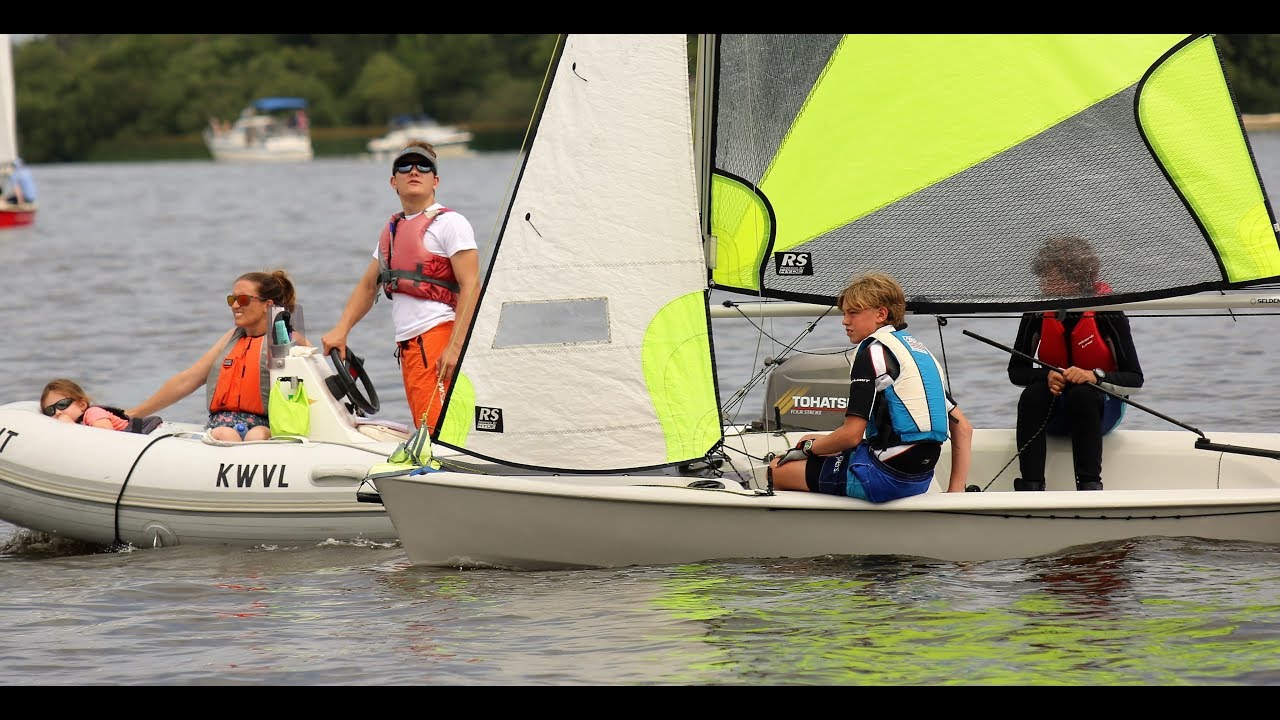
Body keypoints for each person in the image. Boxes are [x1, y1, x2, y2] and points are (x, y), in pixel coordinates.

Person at [770, 271, 973, 501]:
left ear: (881, 314)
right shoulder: (919, 354)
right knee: (811, 438)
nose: (845, 321)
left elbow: (851, 436)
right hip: (920, 478)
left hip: (882, 478)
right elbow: (963, 428)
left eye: (853, 313)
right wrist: (956, 493)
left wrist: (808, 449)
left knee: (776, 470)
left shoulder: (871, 353)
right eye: (844, 313)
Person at [322, 141, 480, 432]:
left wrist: (455, 347)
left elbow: (471, 285)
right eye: (405, 167)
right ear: (394, 182)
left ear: (436, 180)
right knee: (425, 426)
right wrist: (341, 330)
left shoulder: (451, 224)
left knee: (441, 431)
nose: (414, 171)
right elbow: (369, 286)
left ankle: (445, 469)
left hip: (438, 338)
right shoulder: (392, 231)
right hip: (409, 347)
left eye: (423, 167)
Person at [1008, 236, 1144, 491]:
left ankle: (1089, 485)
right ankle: (1031, 485)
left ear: (1074, 278)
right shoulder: (1037, 311)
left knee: (1083, 393)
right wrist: (1046, 374)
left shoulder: (1108, 313)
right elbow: (1016, 372)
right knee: (1033, 393)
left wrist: (1096, 376)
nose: (1042, 282)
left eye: (1049, 276)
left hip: (1101, 413)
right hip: (1054, 415)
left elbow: (1135, 379)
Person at [127, 270, 303, 443]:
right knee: (226, 435)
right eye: (232, 300)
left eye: (243, 300)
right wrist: (134, 414)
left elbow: (313, 381)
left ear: (268, 305)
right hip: (220, 428)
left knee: (257, 435)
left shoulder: (287, 339)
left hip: (264, 426)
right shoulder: (232, 338)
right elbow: (186, 380)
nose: (235, 305)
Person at [39, 378, 129, 431]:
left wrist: (70, 426)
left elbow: (107, 437)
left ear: (82, 405)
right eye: (50, 410)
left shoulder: (93, 413)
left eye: (62, 404)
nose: (57, 412)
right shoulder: (81, 423)